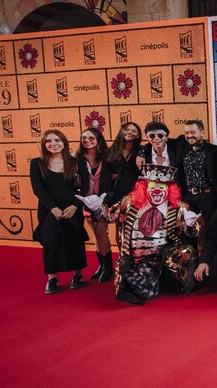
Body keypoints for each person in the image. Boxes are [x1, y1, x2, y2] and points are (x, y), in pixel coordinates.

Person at [76, 165, 201, 305]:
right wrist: (96, 208)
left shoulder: (178, 208)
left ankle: (167, 279)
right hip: (134, 261)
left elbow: (193, 234)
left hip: (161, 259)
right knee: (141, 291)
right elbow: (108, 217)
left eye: (162, 187)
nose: (157, 190)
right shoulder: (130, 203)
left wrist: (191, 225)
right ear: (144, 188)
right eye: (152, 186)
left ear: (170, 190)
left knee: (186, 252)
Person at [30, 130, 89, 294]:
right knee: (51, 242)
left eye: (57, 140)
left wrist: (75, 206)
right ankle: (52, 278)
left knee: (75, 239)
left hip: (73, 208)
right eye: (48, 141)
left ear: (64, 142)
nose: (53, 144)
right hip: (49, 209)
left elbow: (85, 187)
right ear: (44, 144)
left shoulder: (78, 162)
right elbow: (38, 189)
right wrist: (53, 208)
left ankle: (77, 275)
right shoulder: (37, 163)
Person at [76, 127, 114, 283]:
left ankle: (108, 268)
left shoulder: (108, 158)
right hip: (85, 203)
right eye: (84, 137)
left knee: (100, 231)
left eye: (91, 138)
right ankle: (102, 265)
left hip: (103, 202)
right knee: (96, 234)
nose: (87, 140)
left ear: (98, 140)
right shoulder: (76, 158)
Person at [180, 120, 217, 224]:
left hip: (209, 196)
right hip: (189, 197)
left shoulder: (214, 150)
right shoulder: (181, 148)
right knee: (188, 231)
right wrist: (142, 153)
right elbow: (158, 142)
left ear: (202, 133)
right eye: (187, 133)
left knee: (211, 230)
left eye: (193, 132)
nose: (189, 136)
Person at [106, 122, 142, 206]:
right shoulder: (111, 151)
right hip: (113, 195)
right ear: (122, 132)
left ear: (138, 135)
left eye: (133, 131)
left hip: (133, 195)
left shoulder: (141, 152)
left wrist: (134, 195)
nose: (130, 132)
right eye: (127, 130)